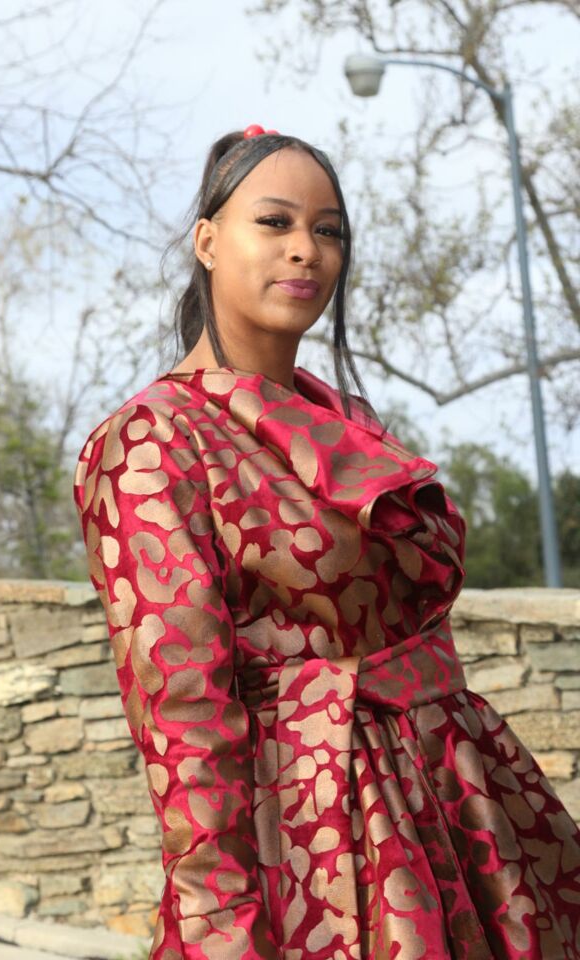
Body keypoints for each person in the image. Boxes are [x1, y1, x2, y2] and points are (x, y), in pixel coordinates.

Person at [73, 125, 580, 960]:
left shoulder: (349, 421)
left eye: (329, 230)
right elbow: (184, 713)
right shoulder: (154, 440)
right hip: (316, 834)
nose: (306, 249)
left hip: (461, 803)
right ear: (207, 242)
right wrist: (217, 919)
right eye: (274, 222)